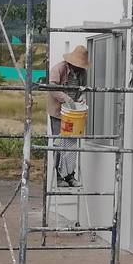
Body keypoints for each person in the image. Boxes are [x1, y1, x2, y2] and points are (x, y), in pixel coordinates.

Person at [48, 45, 89, 186]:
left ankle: (70, 176)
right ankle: (59, 178)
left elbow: (84, 88)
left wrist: (83, 96)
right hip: (59, 113)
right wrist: (65, 97)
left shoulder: (82, 73)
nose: (78, 67)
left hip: (73, 114)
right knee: (59, 143)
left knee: (72, 144)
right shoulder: (58, 69)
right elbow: (51, 88)